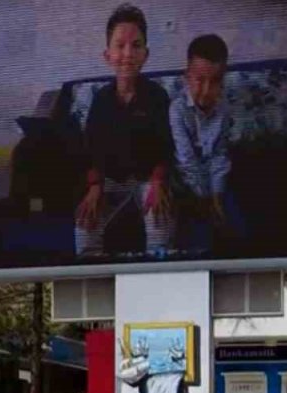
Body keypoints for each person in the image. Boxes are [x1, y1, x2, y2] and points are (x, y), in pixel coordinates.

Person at [74, 3, 174, 258]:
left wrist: (158, 180)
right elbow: (90, 149)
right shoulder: (101, 101)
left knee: (160, 218)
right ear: (107, 55)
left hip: (147, 180)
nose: (128, 53)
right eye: (120, 45)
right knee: (86, 222)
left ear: (146, 54)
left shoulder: (157, 97)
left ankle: (159, 272)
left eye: (136, 45)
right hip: (110, 183)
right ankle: (90, 275)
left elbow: (166, 147)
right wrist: (95, 185)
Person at [170, 33, 245, 254]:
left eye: (214, 82)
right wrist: (204, 200)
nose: (205, 90)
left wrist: (217, 196)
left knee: (237, 226)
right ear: (187, 77)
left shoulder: (223, 111)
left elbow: (220, 156)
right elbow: (186, 160)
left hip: (213, 181)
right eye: (199, 80)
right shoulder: (177, 110)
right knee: (198, 237)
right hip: (183, 183)